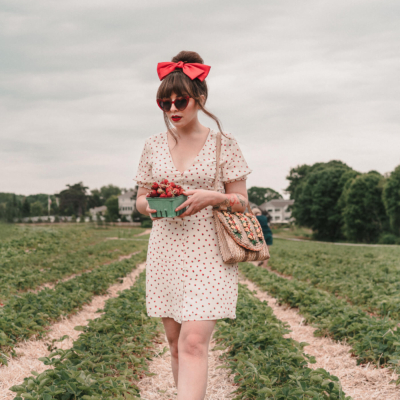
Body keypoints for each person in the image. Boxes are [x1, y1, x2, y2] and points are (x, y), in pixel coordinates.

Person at [132, 51, 252, 400]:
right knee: (174, 344)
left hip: (209, 253)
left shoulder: (223, 145)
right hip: (166, 251)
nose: (172, 108)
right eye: (164, 102)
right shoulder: (152, 146)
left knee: (194, 342)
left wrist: (211, 197)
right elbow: (140, 199)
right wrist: (152, 207)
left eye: (180, 99)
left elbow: (243, 201)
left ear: (199, 99)